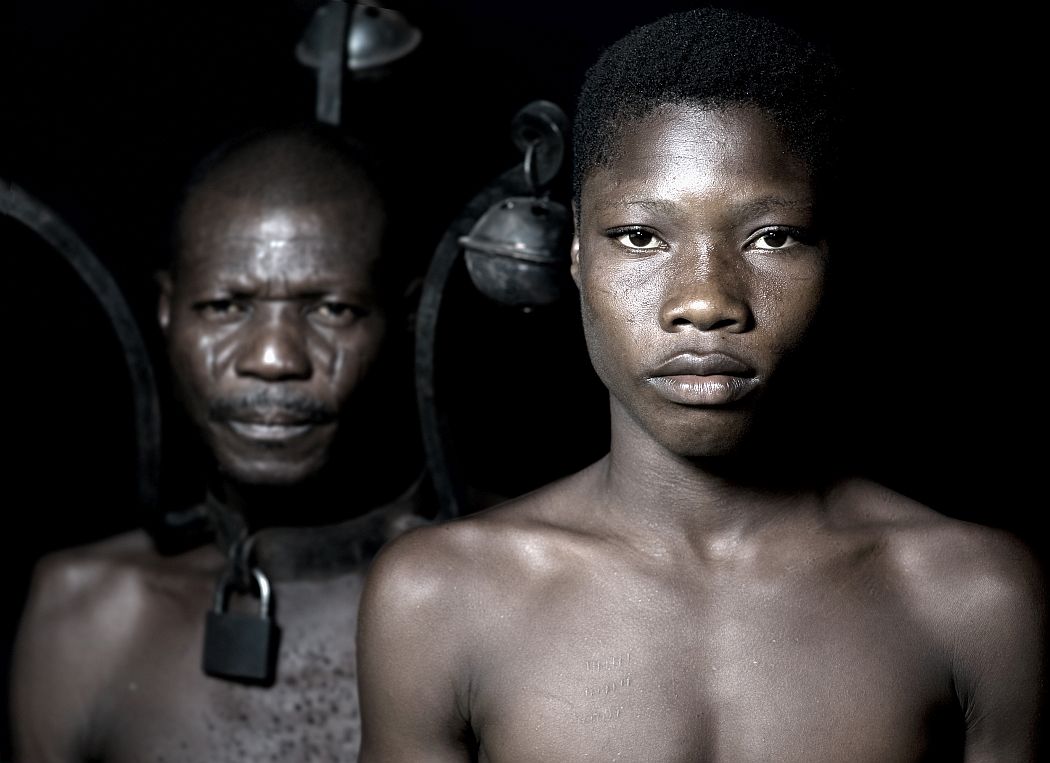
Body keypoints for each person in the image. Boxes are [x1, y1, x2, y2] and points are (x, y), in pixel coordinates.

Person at [355, 7, 1047, 761]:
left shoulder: (973, 598)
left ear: (834, 257)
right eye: (641, 237)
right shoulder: (439, 599)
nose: (707, 301)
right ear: (579, 256)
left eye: (772, 236)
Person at [10, 124, 437, 762]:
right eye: (224, 307)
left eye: (331, 310)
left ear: (402, 318)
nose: (271, 358)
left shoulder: (509, 595)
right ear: (166, 309)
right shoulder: (86, 616)